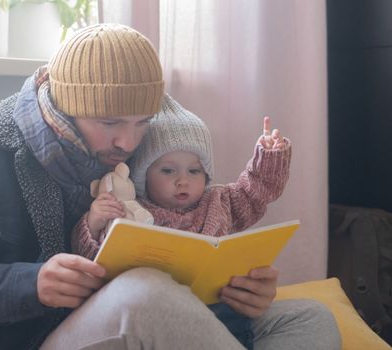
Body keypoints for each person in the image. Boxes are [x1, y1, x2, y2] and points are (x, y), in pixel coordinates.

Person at [0, 23, 341, 350]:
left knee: (307, 316)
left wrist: (235, 288)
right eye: (109, 122)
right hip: (23, 337)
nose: (127, 142)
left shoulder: (135, 163)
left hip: (121, 321)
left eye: (142, 123)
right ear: (65, 109)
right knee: (145, 294)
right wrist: (31, 283)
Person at [71, 95, 290, 349]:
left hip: (225, 313)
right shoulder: (132, 211)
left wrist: (270, 155)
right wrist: (95, 221)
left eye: (194, 171)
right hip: (164, 322)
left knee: (314, 316)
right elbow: (94, 259)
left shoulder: (219, 200)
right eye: (168, 171)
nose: (182, 181)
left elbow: (255, 191)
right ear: (143, 175)